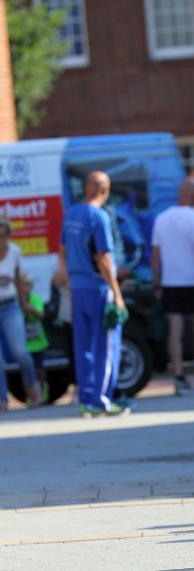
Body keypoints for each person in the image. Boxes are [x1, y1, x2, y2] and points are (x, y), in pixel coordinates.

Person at [59, 172, 128, 416]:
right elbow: (104, 257)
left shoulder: (71, 214)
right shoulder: (99, 216)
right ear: (104, 190)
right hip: (98, 289)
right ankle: (101, 400)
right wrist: (117, 293)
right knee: (106, 346)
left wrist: (70, 282)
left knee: (83, 346)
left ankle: (86, 400)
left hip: (78, 289)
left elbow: (62, 251)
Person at [151, 177, 194, 396]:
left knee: (175, 328)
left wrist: (157, 285)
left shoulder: (162, 218)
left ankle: (179, 376)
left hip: (171, 282)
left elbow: (155, 257)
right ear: (193, 195)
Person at [0, 217, 40, 411]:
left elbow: (17, 279)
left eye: (3, 235)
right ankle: (2, 399)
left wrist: (24, 302)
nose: (0, 240)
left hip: (10, 305)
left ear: (9, 235)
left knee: (20, 352)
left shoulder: (14, 252)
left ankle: (32, 386)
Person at [19, 272, 49, 402]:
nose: (24, 289)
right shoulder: (16, 302)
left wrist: (30, 309)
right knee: (26, 370)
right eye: (22, 286)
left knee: (39, 369)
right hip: (24, 343)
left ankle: (42, 387)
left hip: (37, 342)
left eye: (27, 285)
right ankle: (30, 395)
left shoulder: (36, 299)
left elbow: (41, 315)